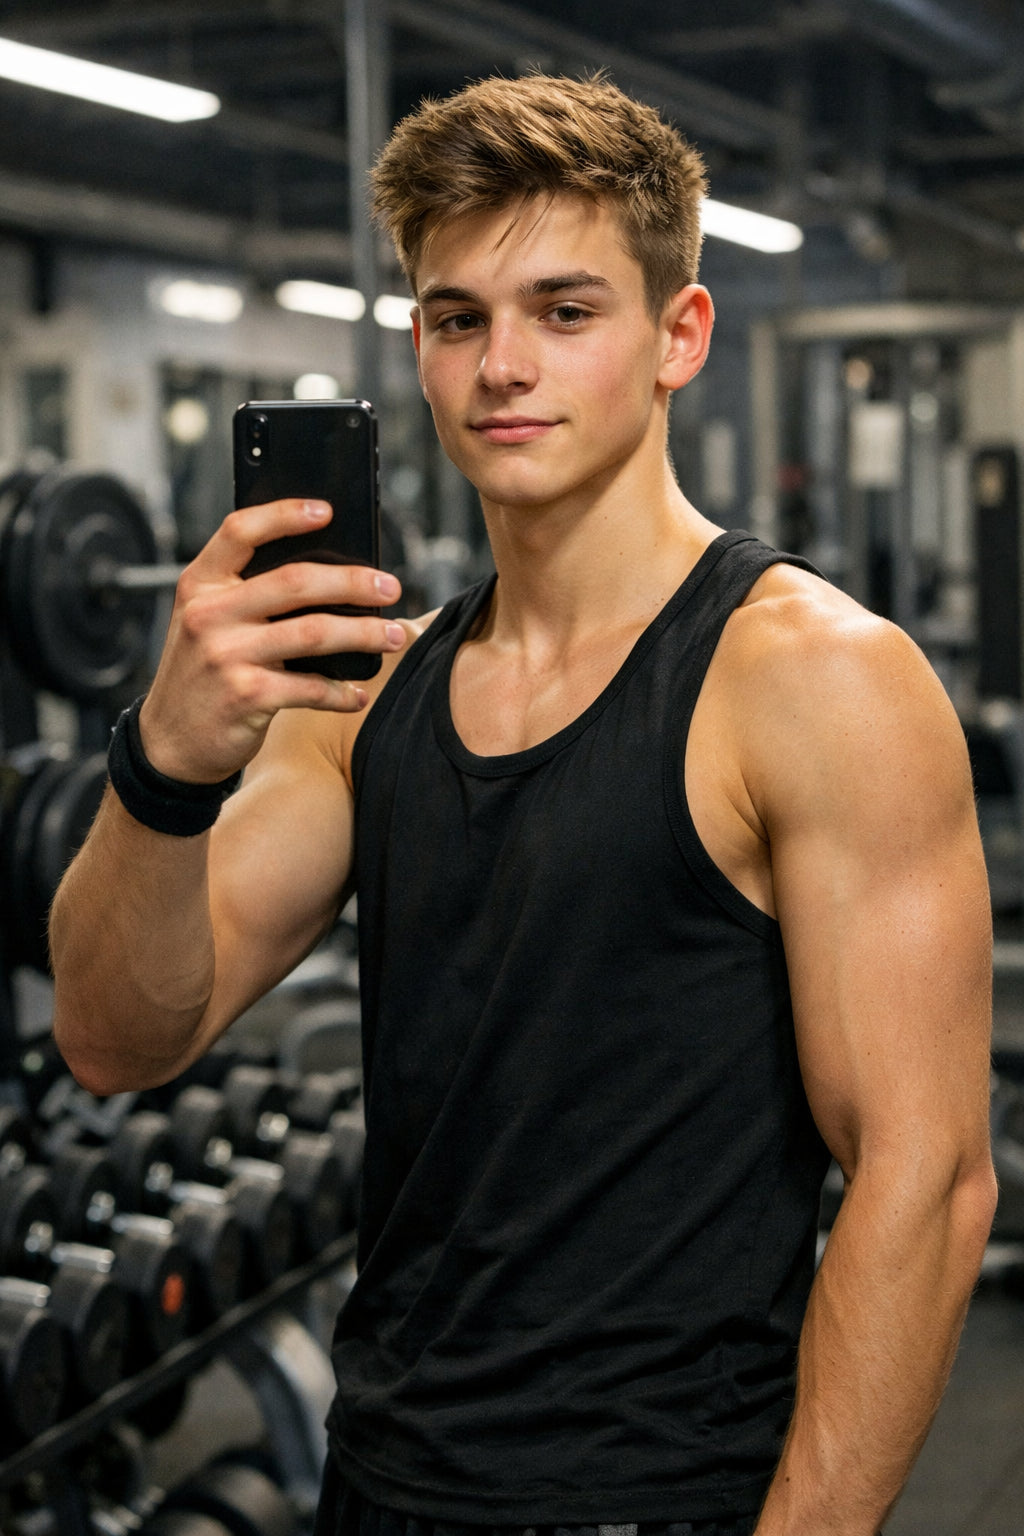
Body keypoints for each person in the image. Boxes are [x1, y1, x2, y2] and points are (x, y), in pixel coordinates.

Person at [50, 73, 995, 1536]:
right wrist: (166, 761)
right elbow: (117, 1036)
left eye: (565, 311)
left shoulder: (817, 681)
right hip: (380, 1482)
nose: (503, 366)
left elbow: (925, 1185)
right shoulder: (367, 698)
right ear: (420, 352)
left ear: (679, 336)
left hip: (661, 1501)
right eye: (457, 320)